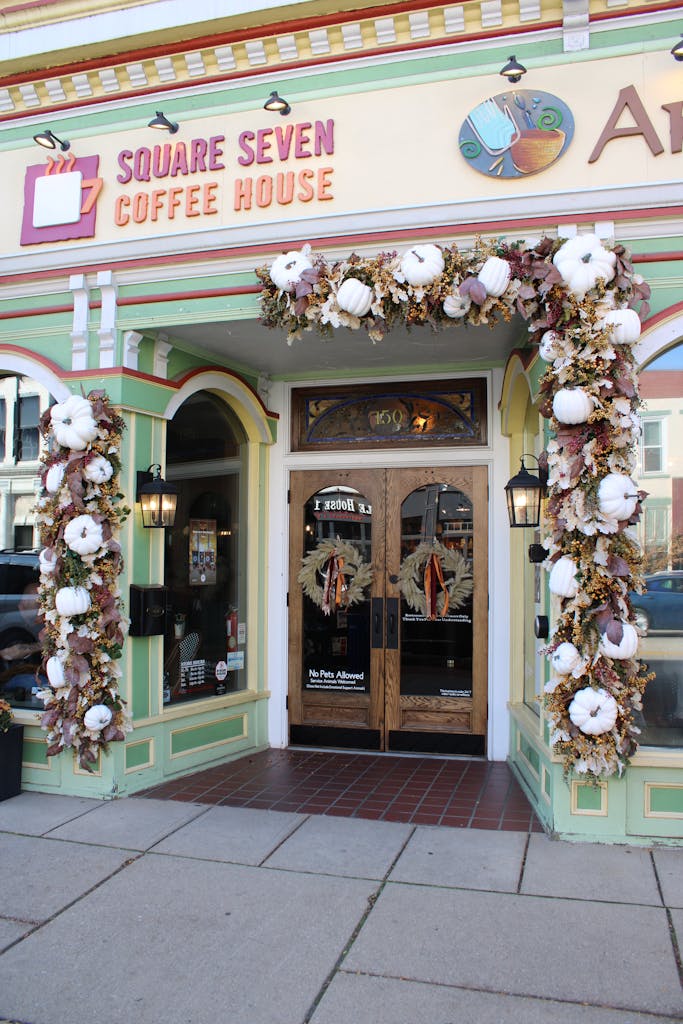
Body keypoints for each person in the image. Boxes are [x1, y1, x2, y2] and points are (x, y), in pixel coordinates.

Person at [0, 582, 46, 707]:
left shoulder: (40, 628)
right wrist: (44, 645)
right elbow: (9, 653)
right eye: (37, 608)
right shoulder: (14, 628)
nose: (42, 616)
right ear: (21, 607)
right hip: (12, 680)